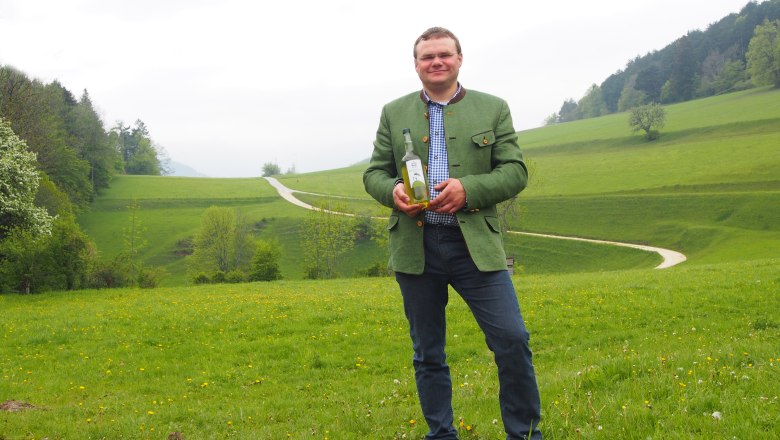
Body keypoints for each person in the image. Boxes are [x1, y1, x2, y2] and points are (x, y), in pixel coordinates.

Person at [363, 27, 542, 440]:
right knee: (428, 353)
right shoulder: (393, 112)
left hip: (475, 246)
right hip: (417, 248)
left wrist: (468, 189)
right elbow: (374, 173)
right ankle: (441, 435)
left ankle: (525, 434)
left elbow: (515, 171)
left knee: (512, 339)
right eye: (427, 57)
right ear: (416, 65)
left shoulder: (493, 108)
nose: (436, 62)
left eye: (444, 54)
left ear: (459, 59)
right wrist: (392, 192)